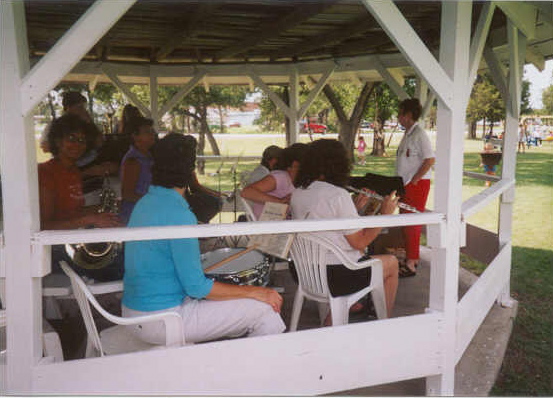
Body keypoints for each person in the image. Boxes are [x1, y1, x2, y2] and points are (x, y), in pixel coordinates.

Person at [122, 133, 286, 344]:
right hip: (162, 319)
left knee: (241, 303)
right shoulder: (178, 215)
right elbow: (197, 288)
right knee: (265, 310)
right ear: (190, 171)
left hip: (134, 311)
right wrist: (257, 292)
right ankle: (248, 372)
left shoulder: (145, 203)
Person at [290, 139, 399, 319]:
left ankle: (334, 320)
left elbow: (324, 223)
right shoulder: (337, 195)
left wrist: (354, 210)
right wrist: (385, 215)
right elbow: (360, 242)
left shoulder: (298, 192)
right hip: (336, 276)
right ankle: (384, 323)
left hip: (305, 271)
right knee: (392, 263)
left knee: (362, 261)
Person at [38, 113, 123, 281]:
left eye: (82, 140)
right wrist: (90, 219)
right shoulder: (46, 173)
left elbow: (72, 210)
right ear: (57, 141)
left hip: (72, 241)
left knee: (126, 253)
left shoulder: (74, 171)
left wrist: (103, 209)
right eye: (71, 138)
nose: (77, 144)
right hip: (54, 252)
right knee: (122, 265)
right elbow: (44, 225)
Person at [395, 98, 435, 277]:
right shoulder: (408, 134)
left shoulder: (419, 134)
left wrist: (415, 180)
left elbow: (430, 159)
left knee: (412, 223)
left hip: (416, 184)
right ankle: (410, 257)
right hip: (405, 184)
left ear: (408, 115)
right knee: (405, 222)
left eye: (400, 113)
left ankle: (411, 262)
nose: (398, 117)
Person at [240, 143, 307, 220]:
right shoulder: (280, 177)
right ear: (295, 163)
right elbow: (246, 192)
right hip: (268, 224)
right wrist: (279, 201)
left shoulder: (300, 179)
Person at [119, 117, 156, 224]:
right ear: (135, 136)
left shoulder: (148, 156)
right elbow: (127, 194)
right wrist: (154, 201)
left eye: (152, 131)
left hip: (147, 211)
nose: (152, 134)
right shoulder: (133, 161)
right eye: (147, 132)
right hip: (136, 214)